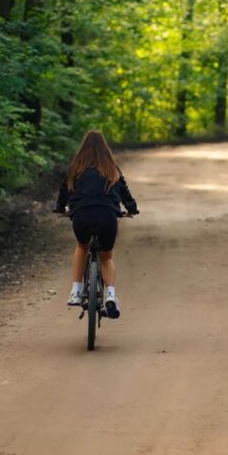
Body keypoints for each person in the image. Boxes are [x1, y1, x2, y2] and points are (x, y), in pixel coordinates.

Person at [54, 130, 139, 319]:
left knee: (82, 246)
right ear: (105, 149)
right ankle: (110, 294)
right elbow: (124, 192)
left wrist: (60, 208)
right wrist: (131, 209)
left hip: (82, 216)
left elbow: (63, 192)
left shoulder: (75, 168)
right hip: (107, 215)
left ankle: (76, 291)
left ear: (83, 149)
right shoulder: (112, 169)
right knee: (106, 257)